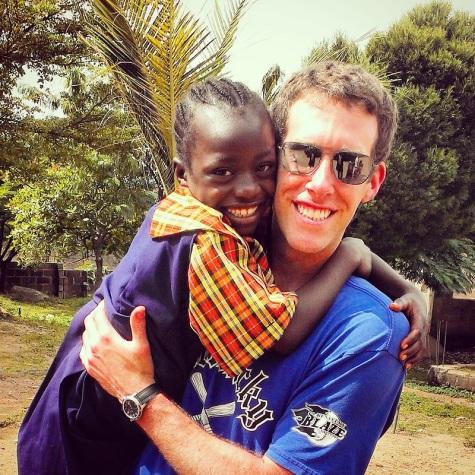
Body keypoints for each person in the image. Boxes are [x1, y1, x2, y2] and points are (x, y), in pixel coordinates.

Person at [17, 77, 424, 475]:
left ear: (373, 182)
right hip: (76, 422)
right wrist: (355, 253)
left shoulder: (368, 333)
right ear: (281, 158)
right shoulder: (214, 244)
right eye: (304, 155)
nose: (319, 184)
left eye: (349, 164)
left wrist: (139, 395)